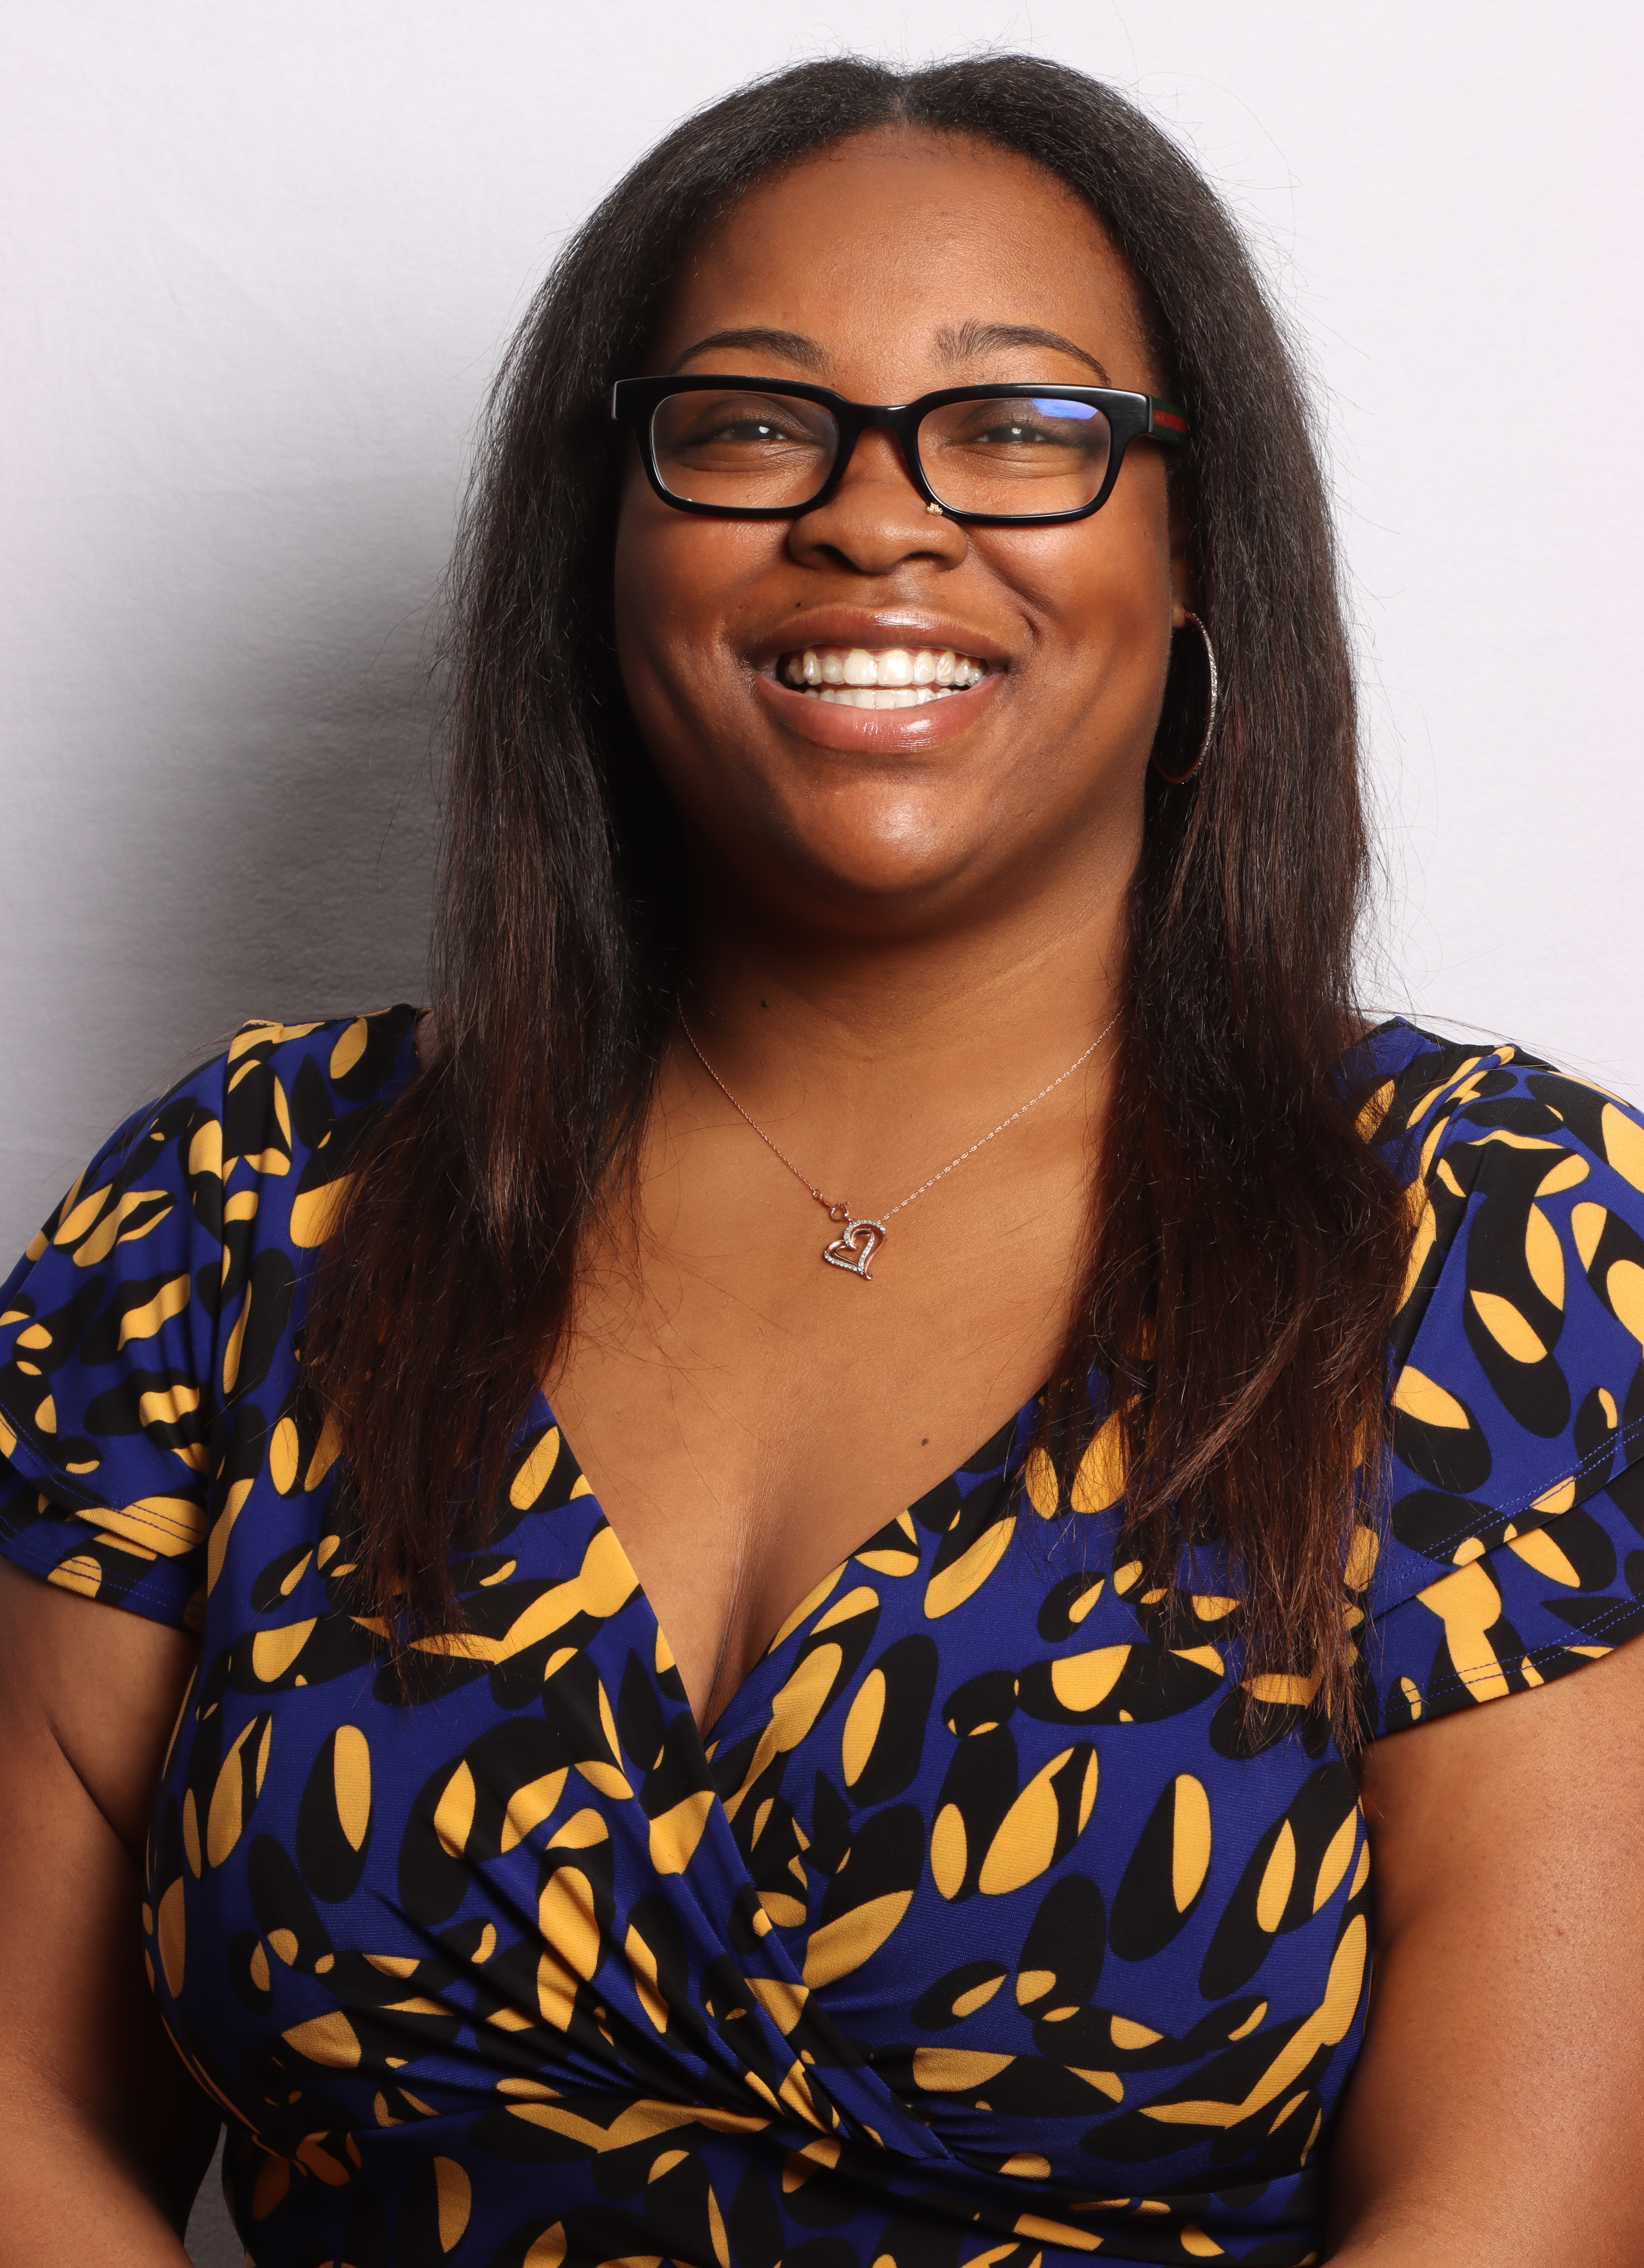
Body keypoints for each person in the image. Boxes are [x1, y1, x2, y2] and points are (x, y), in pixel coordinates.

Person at [1, 51, 1640, 2268]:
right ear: (606, 538)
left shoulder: (1495, 1241)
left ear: (1197, 552)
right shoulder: (237, 1208)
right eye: (755, 424)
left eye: (1022, 429)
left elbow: (1535, 2208)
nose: (878, 518)